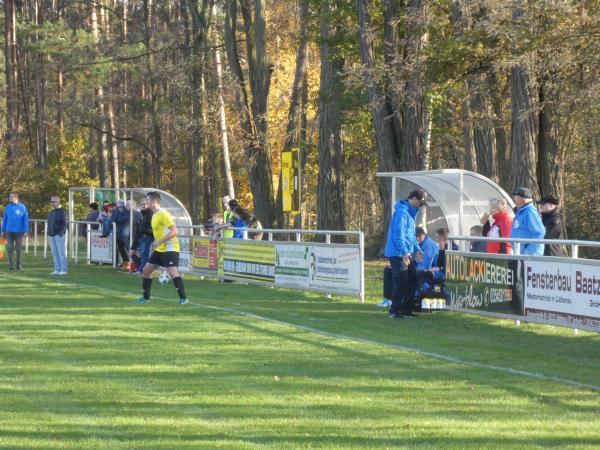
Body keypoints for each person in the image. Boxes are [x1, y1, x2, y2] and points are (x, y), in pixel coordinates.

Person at [135, 191, 190, 305]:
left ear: (154, 201)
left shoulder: (163, 214)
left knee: (173, 272)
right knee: (146, 270)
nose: (145, 202)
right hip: (160, 249)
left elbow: (174, 231)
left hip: (170, 248)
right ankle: (146, 298)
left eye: (147, 200)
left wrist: (159, 241)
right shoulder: (154, 214)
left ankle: (184, 299)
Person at [384, 189, 427, 319]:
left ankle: (406, 308)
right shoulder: (402, 212)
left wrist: (417, 249)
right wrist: (404, 252)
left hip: (406, 252)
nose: (421, 205)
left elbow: (410, 236)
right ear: (414, 199)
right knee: (401, 279)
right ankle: (394, 310)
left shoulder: (411, 213)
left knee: (413, 277)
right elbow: (398, 235)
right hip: (398, 253)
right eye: (420, 202)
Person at [510, 187, 545, 255]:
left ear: (522, 199)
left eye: (516, 197)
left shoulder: (530, 212)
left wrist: (528, 251)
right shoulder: (522, 211)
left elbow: (540, 232)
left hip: (530, 255)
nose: (514, 199)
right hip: (521, 253)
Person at [1, 192, 29, 270]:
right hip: (8, 231)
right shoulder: (7, 207)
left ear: (16, 198)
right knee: (9, 248)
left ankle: (19, 265)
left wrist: (26, 230)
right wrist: (2, 231)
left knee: (18, 249)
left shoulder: (22, 207)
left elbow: (25, 220)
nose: (10, 198)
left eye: (11, 197)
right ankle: (12, 265)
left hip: (19, 232)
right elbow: (4, 220)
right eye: (10, 197)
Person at [130, 198, 154, 275]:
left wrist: (146, 232)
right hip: (140, 237)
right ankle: (140, 268)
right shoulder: (142, 215)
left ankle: (142, 270)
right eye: (142, 204)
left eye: (145, 204)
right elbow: (139, 228)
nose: (143, 206)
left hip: (146, 237)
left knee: (144, 253)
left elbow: (151, 227)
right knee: (134, 253)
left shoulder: (151, 214)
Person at [47, 196, 68, 275]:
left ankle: (63, 270)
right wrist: (48, 233)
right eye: (51, 201)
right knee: (54, 253)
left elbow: (65, 224)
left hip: (58, 235)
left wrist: (61, 233)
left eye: (53, 201)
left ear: (58, 202)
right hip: (51, 235)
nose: (52, 203)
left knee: (61, 252)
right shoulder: (52, 212)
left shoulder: (62, 211)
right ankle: (57, 269)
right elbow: (49, 223)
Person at [111, 199, 132, 269]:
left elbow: (120, 219)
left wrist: (118, 216)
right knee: (121, 249)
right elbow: (114, 219)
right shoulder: (120, 210)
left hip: (125, 233)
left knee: (124, 249)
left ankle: (128, 263)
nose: (126, 205)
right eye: (127, 204)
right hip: (120, 232)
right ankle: (125, 263)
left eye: (128, 204)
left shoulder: (130, 212)